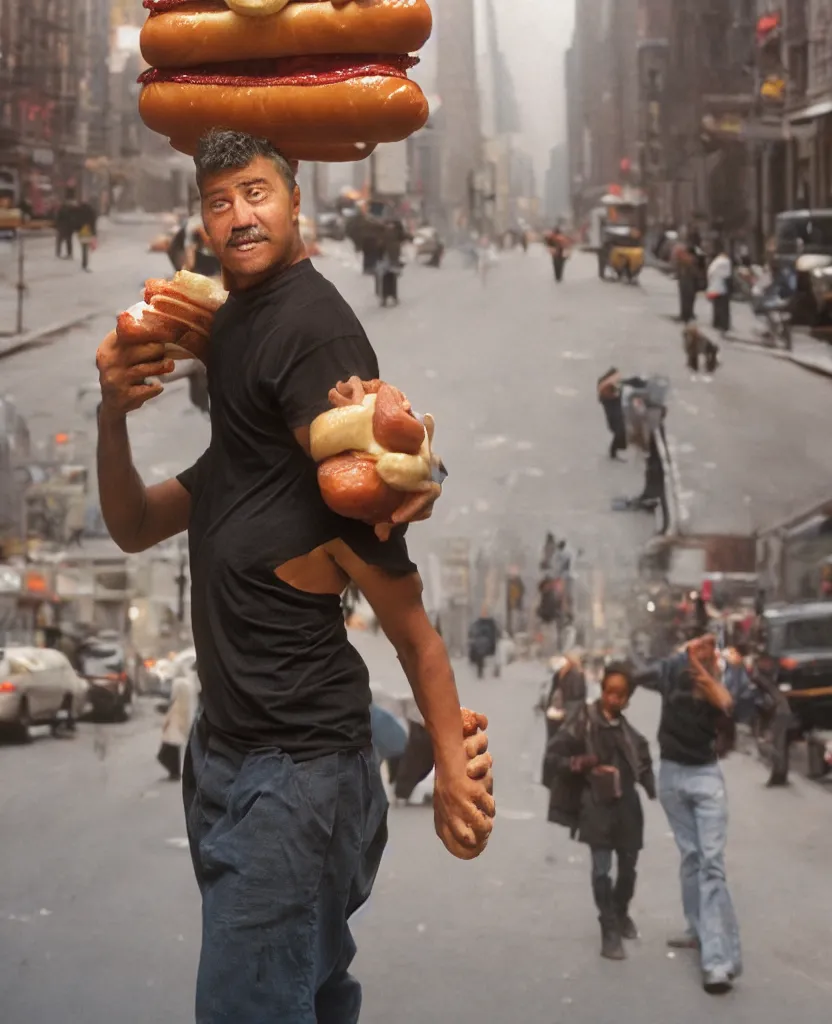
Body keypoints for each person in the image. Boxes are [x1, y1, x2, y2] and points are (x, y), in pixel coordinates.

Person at [95, 128, 494, 1022]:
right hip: (228, 752)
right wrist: (112, 415)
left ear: (296, 196)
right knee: (307, 994)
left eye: (256, 192)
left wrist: (454, 772)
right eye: (219, 200)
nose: (238, 216)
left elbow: (405, 607)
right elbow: (132, 525)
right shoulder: (237, 329)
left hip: (297, 773)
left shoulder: (315, 333)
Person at [634, 635, 742, 994]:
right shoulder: (671, 674)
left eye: (708, 649)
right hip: (673, 778)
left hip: (705, 778)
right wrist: (673, 658)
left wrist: (700, 669)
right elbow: (635, 674)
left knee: (711, 863)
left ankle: (718, 962)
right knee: (692, 857)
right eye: (697, 648)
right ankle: (698, 931)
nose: (702, 653)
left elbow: (728, 705)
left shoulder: (720, 683)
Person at [546, 664, 656, 960]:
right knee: (601, 870)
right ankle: (608, 927)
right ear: (602, 690)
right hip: (596, 806)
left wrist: (651, 783)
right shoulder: (583, 721)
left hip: (627, 808)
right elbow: (554, 755)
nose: (613, 699)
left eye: (620, 694)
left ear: (628, 697)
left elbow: (643, 763)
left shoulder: (629, 732)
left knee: (629, 868)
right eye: (609, 692)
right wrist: (581, 763)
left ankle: (620, 912)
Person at [158, 664, 200, 782]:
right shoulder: (189, 684)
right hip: (182, 719)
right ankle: (175, 772)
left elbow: (174, 698)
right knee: (172, 747)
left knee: (168, 749)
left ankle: (174, 772)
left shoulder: (181, 684)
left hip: (177, 720)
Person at [707, 241, 732, 338]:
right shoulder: (725, 261)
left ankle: (716, 323)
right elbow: (727, 275)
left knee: (716, 307)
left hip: (713, 287)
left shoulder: (716, 262)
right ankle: (723, 325)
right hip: (721, 288)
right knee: (723, 308)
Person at [76, 199, 97, 272]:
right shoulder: (91, 211)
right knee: (86, 248)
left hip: (81, 231)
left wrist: (77, 229)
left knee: (83, 248)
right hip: (88, 230)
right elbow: (93, 222)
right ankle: (85, 264)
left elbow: (76, 221)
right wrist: (94, 233)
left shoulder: (79, 211)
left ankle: (83, 263)